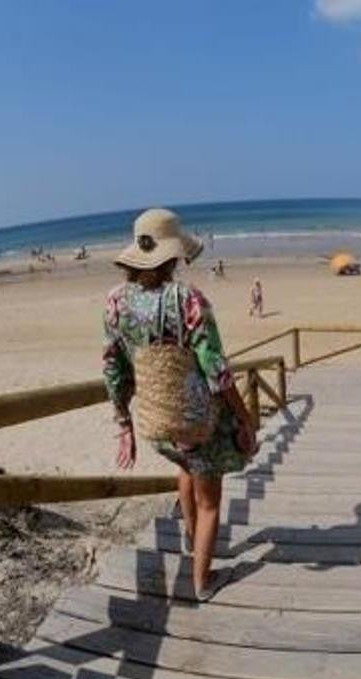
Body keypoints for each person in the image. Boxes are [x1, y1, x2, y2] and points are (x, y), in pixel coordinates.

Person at [103, 208, 257, 602]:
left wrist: (124, 422)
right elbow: (217, 372)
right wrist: (245, 419)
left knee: (185, 463)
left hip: (156, 426)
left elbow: (113, 367)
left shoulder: (116, 303)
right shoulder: (188, 300)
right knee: (210, 503)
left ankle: (192, 544)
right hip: (196, 423)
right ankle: (203, 582)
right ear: (174, 256)